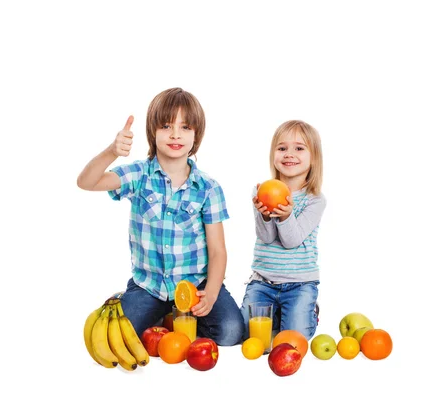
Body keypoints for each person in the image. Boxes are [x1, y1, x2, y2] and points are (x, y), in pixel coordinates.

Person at [77, 87, 244, 345]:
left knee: (232, 332)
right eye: (166, 126)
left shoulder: (208, 188)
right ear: (152, 132)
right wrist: (112, 151)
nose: (175, 134)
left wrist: (210, 293)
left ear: (196, 135)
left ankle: (176, 319)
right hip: (149, 287)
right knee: (121, 335)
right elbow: (86, 182)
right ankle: (159, 314)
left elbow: (218, 250)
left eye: (185, 127)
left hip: (195, 285)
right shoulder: (138, 175)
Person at [240, 120, 326, 340]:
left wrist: (286, 215)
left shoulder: (314, 200)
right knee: (248, 336)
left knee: (293, 339)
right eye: (282, 148)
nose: (289, 154)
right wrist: (266, 214)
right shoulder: (262, 190)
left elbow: (292, 240)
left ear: (313, 157)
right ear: (273, 155)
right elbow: (266, 237)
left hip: (299, 284)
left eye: (299, 148)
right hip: (263, 282)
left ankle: (308, 312)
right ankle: (278, 315)